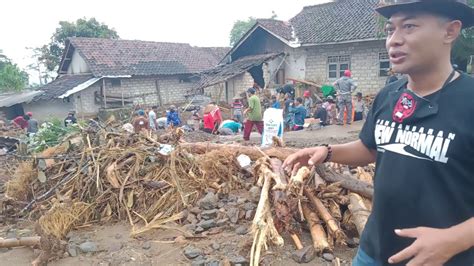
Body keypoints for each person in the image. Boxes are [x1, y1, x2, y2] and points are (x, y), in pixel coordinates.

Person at [283, 1, 474, 265]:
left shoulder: (470, 100)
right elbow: (372, 147)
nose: (394, 41)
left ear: (450, 32)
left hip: (444, 258)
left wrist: (454, 239)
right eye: (389, 30)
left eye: (409, 26)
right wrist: (327, 152)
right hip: (374, 250)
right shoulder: (388, 95)